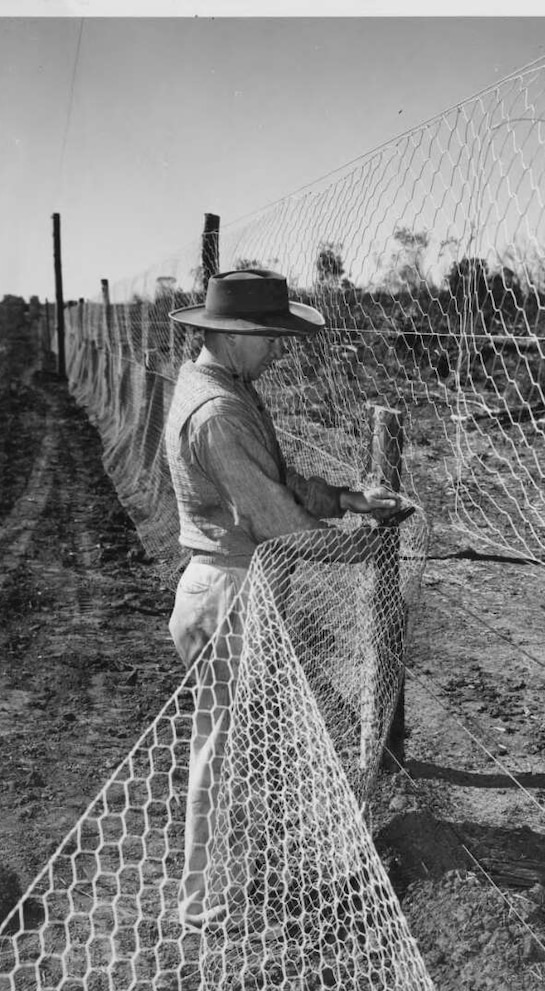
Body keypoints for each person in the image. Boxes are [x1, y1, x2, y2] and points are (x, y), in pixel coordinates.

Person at [166, 268, 399, 930]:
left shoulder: (223, 386)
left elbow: (280, 478)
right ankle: (207, 902)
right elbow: (276, 518)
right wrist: (364, 547)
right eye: (270, 336)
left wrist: (348, 498)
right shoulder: (216, 414)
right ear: (236, 336)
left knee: (246, 743)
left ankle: (243, 875)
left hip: (236, 585)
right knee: (223, 748)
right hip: (229, 592)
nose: (277, 348)